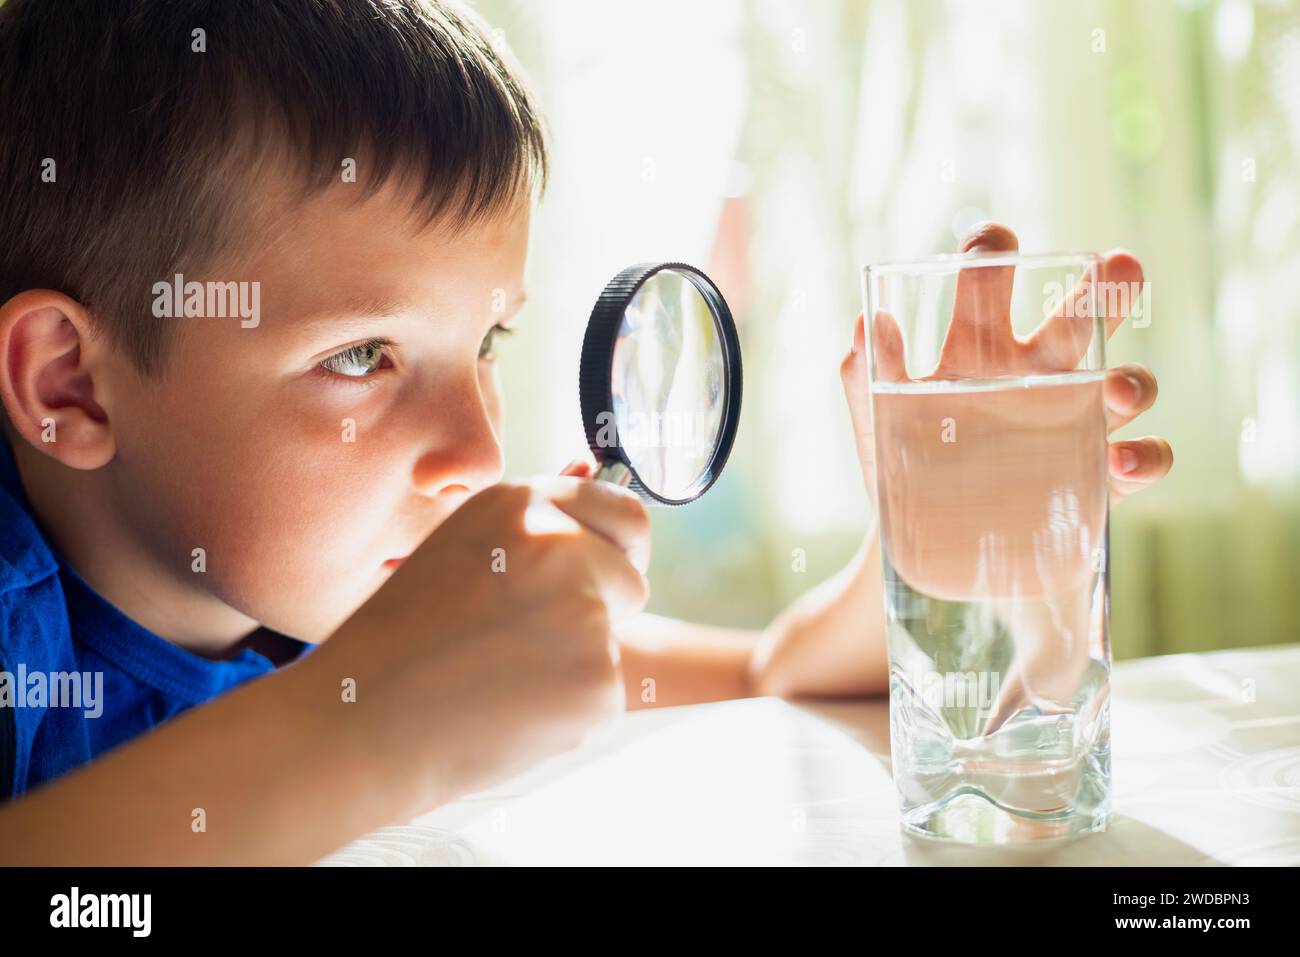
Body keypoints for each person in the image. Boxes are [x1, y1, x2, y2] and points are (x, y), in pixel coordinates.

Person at [0, 0, 1171, 864]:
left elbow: (768, 672)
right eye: (360, 356)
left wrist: (921, 561)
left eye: (489, 345)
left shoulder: (311, 592)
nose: (472, 450)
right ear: (71, 387)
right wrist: (367, 724)